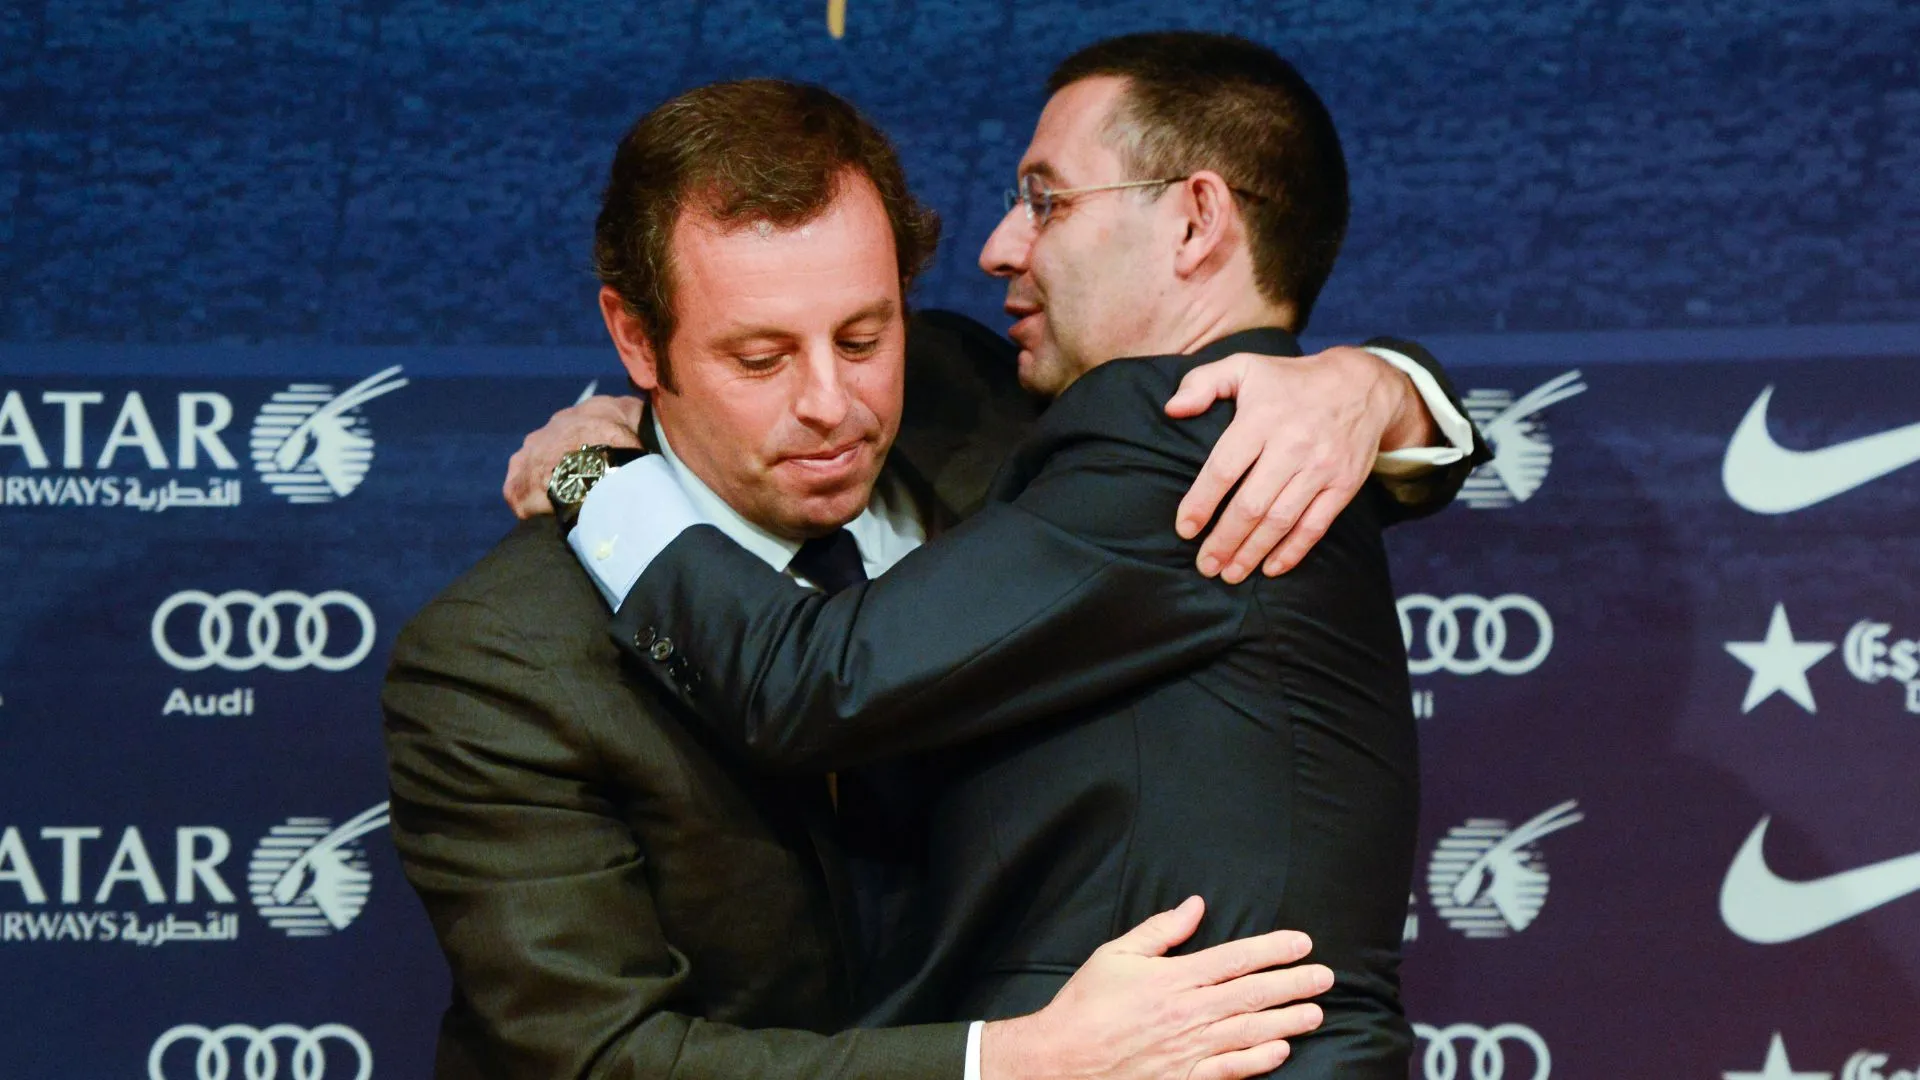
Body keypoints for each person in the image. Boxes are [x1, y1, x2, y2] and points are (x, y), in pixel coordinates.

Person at [385, 74, 1459, 1080]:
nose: (829, 403)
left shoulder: (1001, 406)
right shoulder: (496, 663)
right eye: (759, 359)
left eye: (865, 337)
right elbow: (601, 1059)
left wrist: (1377, 386)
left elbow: (1229, 413)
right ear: (636, 337)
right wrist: (1003, 1062)